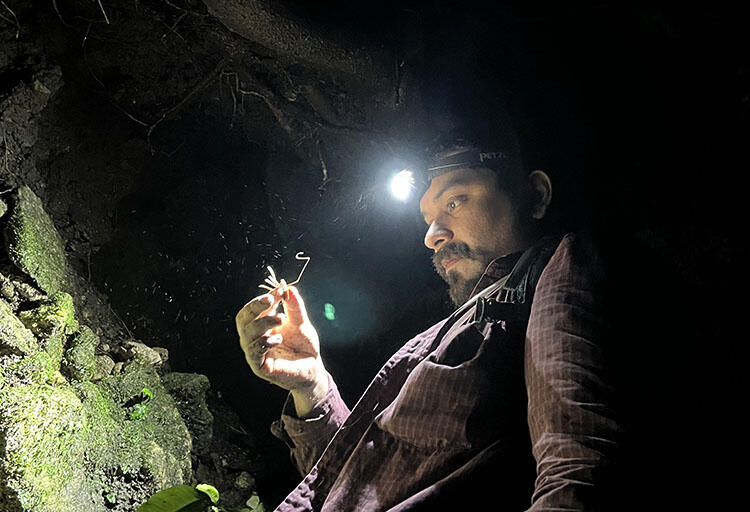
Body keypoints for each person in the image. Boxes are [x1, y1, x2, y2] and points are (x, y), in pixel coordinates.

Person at [235, 131, 703, 510]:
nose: (432, 236)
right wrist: (312, 384)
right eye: (427, 217)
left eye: (455, 200)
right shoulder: (452, 329)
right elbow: (351, 484)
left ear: (535, 196)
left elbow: (579, 466)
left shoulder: (559, 268)